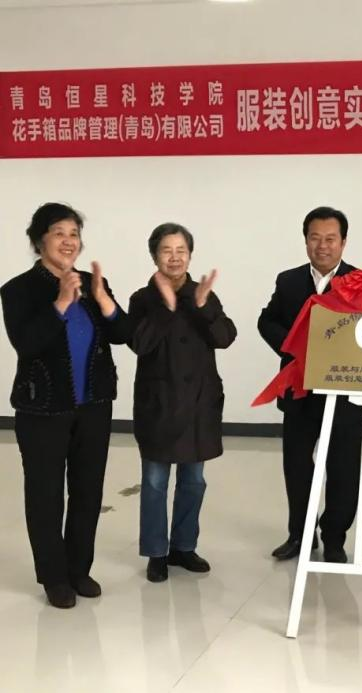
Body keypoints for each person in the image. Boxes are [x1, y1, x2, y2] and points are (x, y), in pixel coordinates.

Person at [0, 202, 130, 608]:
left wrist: (103, 300)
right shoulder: (18, 289)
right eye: (59, 233)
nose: (68, 241)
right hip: (42, 409)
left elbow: (123, 333)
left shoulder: (93, 283)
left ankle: (79, 569)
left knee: (88, 492)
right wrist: (60, 302)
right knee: (46, 495)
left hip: (94, 406)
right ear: (39, 240)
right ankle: (54, 577)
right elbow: (27, 343)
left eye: (74, 234)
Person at [128, 223, 236, 582]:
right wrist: (166, 307)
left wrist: (202, 306)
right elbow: (139, 344)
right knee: (155, 482)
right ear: (154, 255)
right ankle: (156, 552)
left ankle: (184, 547)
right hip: (159, 405)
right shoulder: (142, 299)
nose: (174, 258)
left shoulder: (203, 294)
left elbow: (225, 337)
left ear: (190, 255)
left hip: (198, 404)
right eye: (166, 250)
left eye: (181, 251)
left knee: (193, 481)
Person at [258, 206, 362, 564]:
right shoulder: (288, 281)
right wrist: (294, 347)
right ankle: (299, 536)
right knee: (297, 466)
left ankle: (334, 538)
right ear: (305, 241)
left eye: (330, 239)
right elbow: (267, 321)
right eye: (315, 238)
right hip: (298, 392)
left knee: (344, 468)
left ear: (343, 242)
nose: (323, 246)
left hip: (344, 395)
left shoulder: (360, 282)